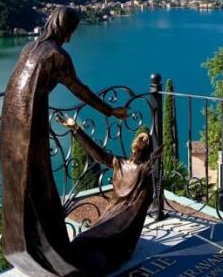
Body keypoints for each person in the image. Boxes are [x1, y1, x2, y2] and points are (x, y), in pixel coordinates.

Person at [0, 6, 128, 276]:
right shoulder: (57, 56)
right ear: (63, 27)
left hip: (10, 123)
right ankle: (50, 253)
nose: (70, 37)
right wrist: (110, 110)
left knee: (18, 185)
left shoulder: (31, 48)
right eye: (71, 31)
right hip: (30, 124)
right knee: (38, 182)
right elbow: (79, 89)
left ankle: (22, 247)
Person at [57, 115, 161, 272]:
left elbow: (141, 204)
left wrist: (149, 169)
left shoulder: (144, 171)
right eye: (139, 137)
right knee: (81, 241)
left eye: (145, 140)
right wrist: (75, 129)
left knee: (94, 246)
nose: (140, 140)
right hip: (110, 214)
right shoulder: (120, 163)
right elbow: (97, 154)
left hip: (125, 219)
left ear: (147, 148)